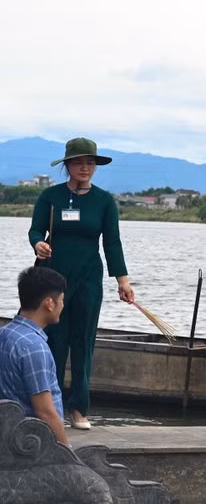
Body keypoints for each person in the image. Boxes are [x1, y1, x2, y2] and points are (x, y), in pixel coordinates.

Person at [28, 137, 134, 431]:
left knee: (83, 341)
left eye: (90, 162)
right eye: (78, 162)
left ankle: (79, 408)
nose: (85, 167)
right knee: (54, 342)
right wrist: (38, 243)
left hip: (89, 277)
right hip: (54, 278)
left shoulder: (104, 201)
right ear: (68, 165)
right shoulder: (50, 196)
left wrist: (122, 282)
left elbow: (112, 243)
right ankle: (52, 408)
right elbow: (36, 229)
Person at [0, 266, 70, 446]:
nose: (63, 305)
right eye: (61, 300)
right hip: (33, 446)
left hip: (9, 436)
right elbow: (45, 412)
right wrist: (67, 453)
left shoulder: (4, 333)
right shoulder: (34, 347)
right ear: (49, 303)